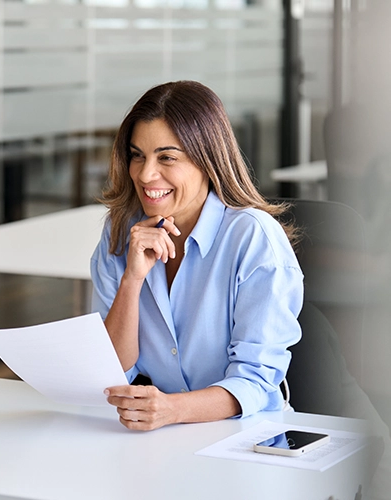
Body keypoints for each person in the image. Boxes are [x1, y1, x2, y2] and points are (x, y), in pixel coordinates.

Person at [92, 81, 303, 431]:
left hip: (247, 434)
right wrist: (132, 280)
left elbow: (255, 381)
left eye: (167, 158)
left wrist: (172, 409)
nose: (145, 174)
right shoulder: (121, 233)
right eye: (137, 155)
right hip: (163, 435)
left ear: (207, 161)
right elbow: (113, 370)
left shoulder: (252, 238)